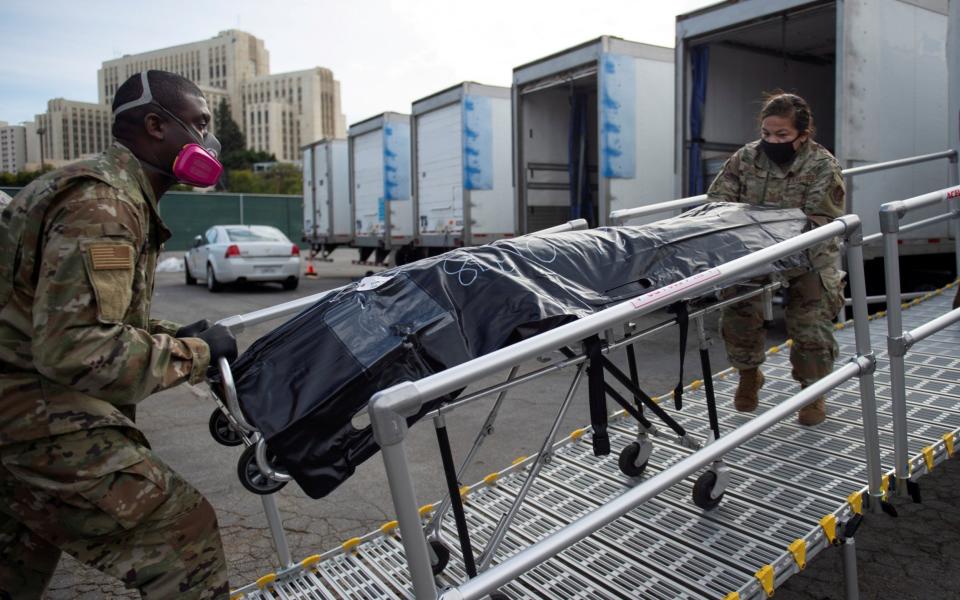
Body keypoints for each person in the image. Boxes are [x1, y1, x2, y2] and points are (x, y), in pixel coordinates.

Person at [0, 70, 238, 599]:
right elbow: (76, 350)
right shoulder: (103, 204)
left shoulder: (111, 191)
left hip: (15, 408)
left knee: (16, 567)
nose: (208, 141)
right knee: (181, 534)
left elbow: (76, 317)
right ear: (156, 125)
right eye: (199, 125)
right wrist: (195, 355)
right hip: (31, 413)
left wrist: (172, 333)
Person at [707, 92, 845, 426]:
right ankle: (749, 375)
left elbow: (820, 221)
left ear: (803, 133)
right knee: (737, 309)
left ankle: (812, 392)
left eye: (782, 135)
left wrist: (773, 241)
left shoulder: (822, 164)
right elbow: (718, 202)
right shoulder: (746, 158)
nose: (772, 141)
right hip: (753, 252)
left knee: (810, 323)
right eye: (767, 134)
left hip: (809, 253)